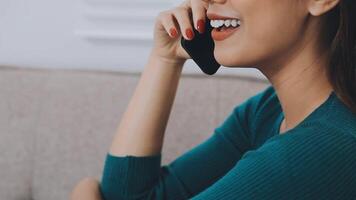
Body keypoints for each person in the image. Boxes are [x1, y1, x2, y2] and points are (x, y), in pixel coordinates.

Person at [70, 0, 356, 199]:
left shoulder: (321, 149)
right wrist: (165, 58)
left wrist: (82, 191)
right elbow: (129, 195)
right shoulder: (266, 112)